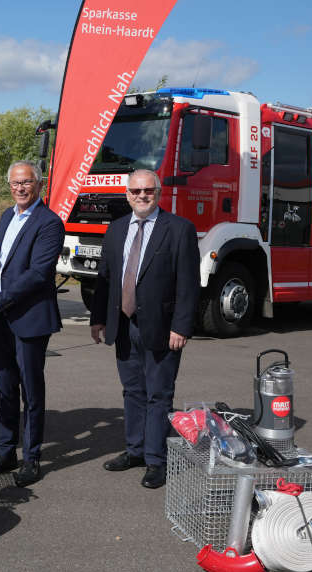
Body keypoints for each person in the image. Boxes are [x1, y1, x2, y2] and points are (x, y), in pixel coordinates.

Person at [90, 169, 200, 489]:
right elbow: (105, 279)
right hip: (124, 325)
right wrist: (99, 319)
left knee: (159, 394)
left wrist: (181, 326)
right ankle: (134, 450)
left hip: (163, 329)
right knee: (133, 392)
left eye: (147, 191)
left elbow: (188, 284)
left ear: (158, 192)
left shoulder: (179, 230)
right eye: (135, 191)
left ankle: (155, 460)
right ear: (127, 194)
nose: (141, 196)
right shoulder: (116, 229)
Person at [0, 160, 64, 487]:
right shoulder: (7, 216)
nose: (21, 188)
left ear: (39, 185)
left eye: (26, 182)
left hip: (28, 317)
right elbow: (6, 263)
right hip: (0, 318)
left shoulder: (49, 222)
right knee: (4, 386)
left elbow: (38, 274)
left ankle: (32, 458)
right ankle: (5, 452)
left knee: (31, 389)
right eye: (15, 183)